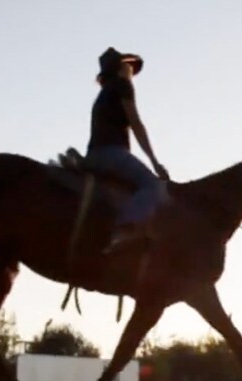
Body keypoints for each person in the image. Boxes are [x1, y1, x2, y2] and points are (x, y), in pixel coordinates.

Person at [84, 47, 170, 254]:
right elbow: (136, 123)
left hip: (94, 154)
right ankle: (124, 228)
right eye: (127, 64)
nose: (131, 68)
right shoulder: (123, 86)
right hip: (111, 153)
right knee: (153, 186)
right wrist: (154, 161)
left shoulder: (105, 93)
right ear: (120, 68)